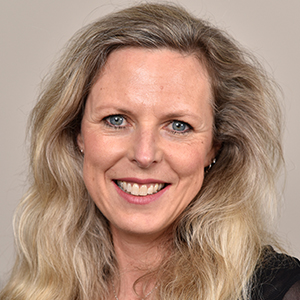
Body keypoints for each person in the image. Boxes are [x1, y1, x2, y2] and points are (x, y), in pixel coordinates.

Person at [1, 3, 299, 300]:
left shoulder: (282, 291)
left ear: (214, 147)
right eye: (116, 120)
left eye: (178, 126)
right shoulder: (35, 289)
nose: (144, 155)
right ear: (76, 133)